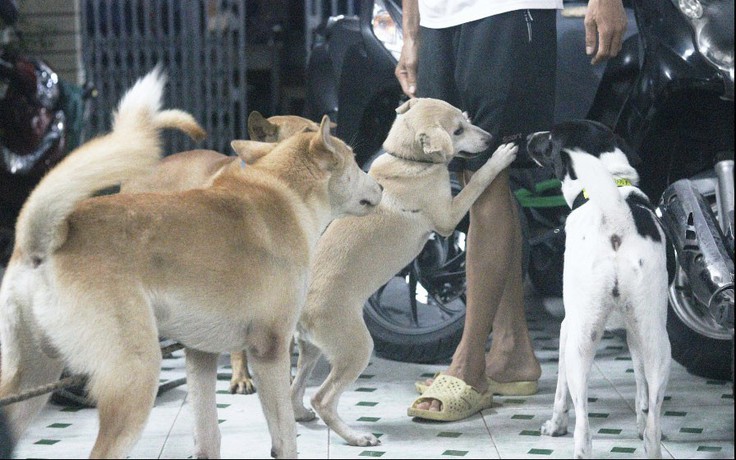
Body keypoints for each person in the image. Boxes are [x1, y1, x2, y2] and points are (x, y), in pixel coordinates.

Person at [397, 0, 628, 420]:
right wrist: (411, 32)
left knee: (488, 174)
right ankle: (512, 350)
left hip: (506, 10)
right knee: (474, 175)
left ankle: (469, 365)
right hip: (438, 17)